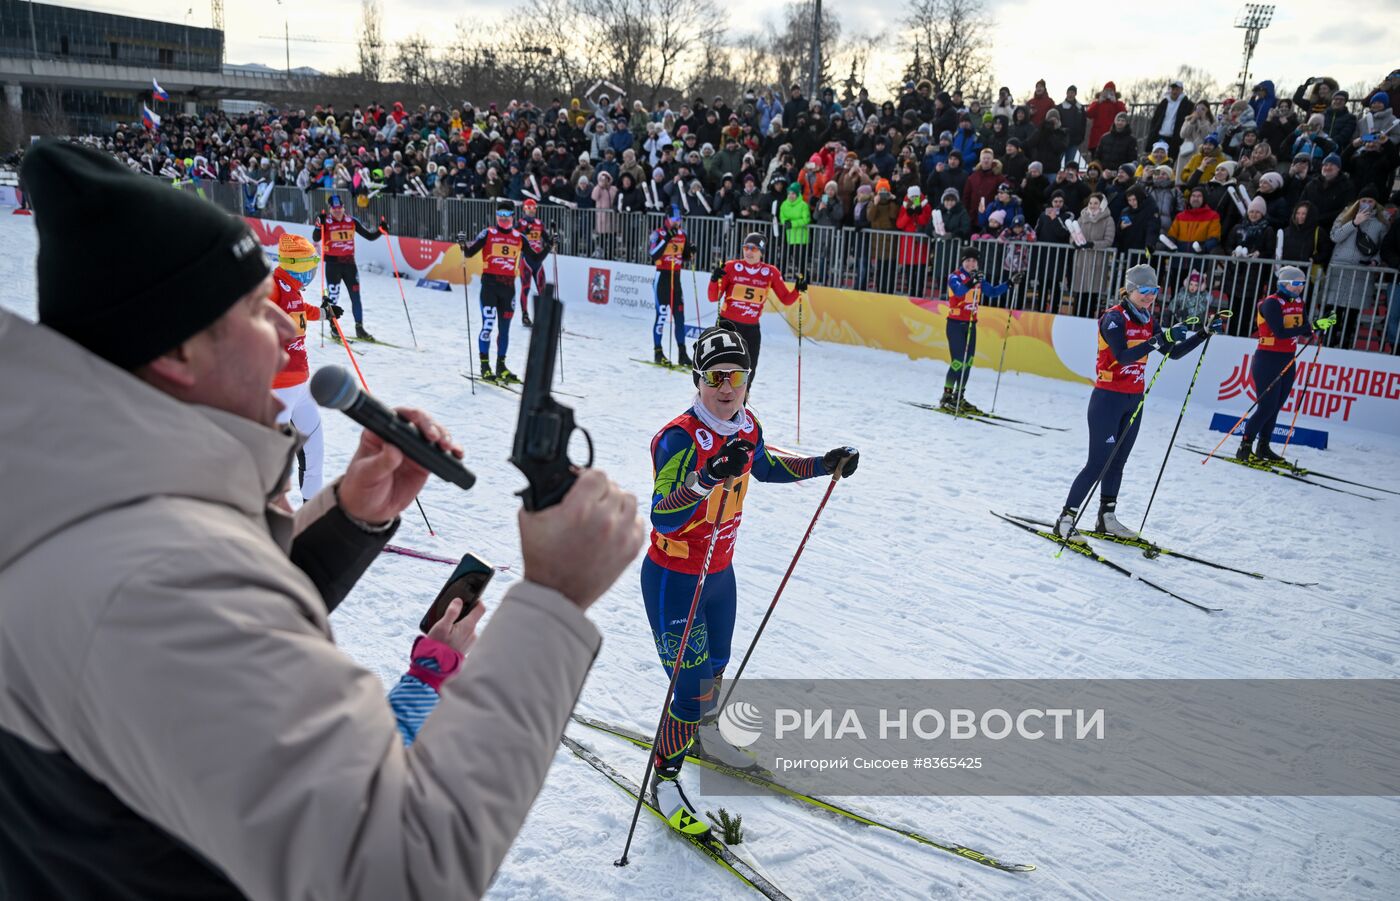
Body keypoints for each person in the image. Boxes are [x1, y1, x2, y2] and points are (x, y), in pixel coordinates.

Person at [0, 141, 645, 900]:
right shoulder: (152, 583)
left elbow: (205, 655)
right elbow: (403, 869)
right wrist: (554, 600)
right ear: (175, 349)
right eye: (252, 306)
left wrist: (346, 518)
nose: (284, 324)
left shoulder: (86, 494)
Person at [642, 322, 858, 836]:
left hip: (719, 575)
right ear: (697, 380)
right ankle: (664, 777)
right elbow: (662, 516)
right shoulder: (678, 437)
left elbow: (766, 465)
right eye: (714, 377)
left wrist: (820, 463)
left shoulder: (746, 424)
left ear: (747, 379)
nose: (725, 387)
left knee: (716, 670)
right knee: (691, 689)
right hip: (674, 577)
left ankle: (695, 736)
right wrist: (708, 476)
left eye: (734, 376)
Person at [1055, 265, 1215, 542]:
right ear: (1129, 290)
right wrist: (1158, 340)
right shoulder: (1114, 319)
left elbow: (1173, 353)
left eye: (1154, 291)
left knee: (1118, 462)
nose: (1149, 297)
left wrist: (1202, 333)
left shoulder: (1148, 320)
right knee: (1098, 463)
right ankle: (1065, 519)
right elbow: (1123, 356)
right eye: (1144, 291)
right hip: (1108, 398)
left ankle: (1107, 518)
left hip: (1134, 399)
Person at [1236, 266, 1337, 462]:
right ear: (1283, 284)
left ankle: (1263, 447)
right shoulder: (1271, 303)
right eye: (1296, 283)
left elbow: (1305, 329)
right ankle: (1245, 446)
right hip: (1267, 359)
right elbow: (1280, 332)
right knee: (1266, 406)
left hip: (1288, 359)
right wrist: (1311, 326)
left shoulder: (1299, 302)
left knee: (1276, 407)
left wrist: (1321, 325)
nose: (1300, 288)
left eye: (1302, 284)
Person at [269, 233, 326, 502]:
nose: (311, 274)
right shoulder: (273, 285)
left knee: (315, 450)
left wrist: (326, 313)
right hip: (278, 388)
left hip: (301, 386)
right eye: (309, 268)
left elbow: (302, 309)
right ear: (297, 265)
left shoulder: (292, 289)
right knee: (271, 461)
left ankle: (310, 514)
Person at [706, 232, 806, 378]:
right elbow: (713, 297)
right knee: (720, 370)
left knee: (747, 373)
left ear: (761, 252)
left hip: (751, 329)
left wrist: (798, 289)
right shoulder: (731, 267)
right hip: (728, 325)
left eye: (753, 249)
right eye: (746, 247)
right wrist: (714, 280)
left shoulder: (770, 272)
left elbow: (786, 299)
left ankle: (742, 401)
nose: (748, 252)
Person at [458, 203, 525, 383]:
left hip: (508, 289)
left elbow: (535, 258)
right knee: (488, 326)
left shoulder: (519, 237)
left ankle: (501, 366)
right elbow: (470, 253)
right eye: (500, 214)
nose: (503, 217)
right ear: (496, 216)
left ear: (513, 216)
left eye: (507, 214)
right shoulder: (488, 233)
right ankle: (484, 366)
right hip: (489, 286)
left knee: (504, 330)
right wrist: (463, 244)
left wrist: (549, 244)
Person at [940, 247, 1011, 412]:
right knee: (958, 362)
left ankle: (959, 396)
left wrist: (1009, 283)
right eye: (968, 261)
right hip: (955, 325)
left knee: (968, 363)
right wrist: (972, 281)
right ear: (963, 262)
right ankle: (947, 396)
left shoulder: (978, 278)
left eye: (974, 261)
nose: (971, 264)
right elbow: (958, 291)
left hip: (971, 324)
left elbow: (992, 292)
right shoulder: (955, 276)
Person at [311, 193, 384, 341]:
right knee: (333, 298)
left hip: (350, 265)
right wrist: (319, 225)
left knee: (355, 297)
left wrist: (381, 231)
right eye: (334, 208)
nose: (338, 211)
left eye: (340, 208)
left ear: (344, 208)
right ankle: (334, 328)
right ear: (330, 209)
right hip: (333, 266)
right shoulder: (326, 221)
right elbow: (316, 238)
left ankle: (359, 328)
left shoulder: (352, 221)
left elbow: (369, 237)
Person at [649, 209, 695, 367]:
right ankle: (658, 352)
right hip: (662, 278)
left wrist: (691, 251)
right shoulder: (658, 233)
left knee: (680, 317)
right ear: (667, 219)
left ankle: (682, 353)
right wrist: (667, 238)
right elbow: (653, 254)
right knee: (662, 316)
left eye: (679, 218)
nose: (677, 221)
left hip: (676, 279)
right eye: (674, 218)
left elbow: (686, 255)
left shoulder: (683, 234)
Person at [516, 197, 554, 328]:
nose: (532, 211)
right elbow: (513, 235)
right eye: (529, 209)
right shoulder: (520, 223)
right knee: (525, 288)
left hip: (538, 260)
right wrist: (522, 233)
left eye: (534, 208)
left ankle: (542, 317)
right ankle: (525, 315)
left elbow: (546, 238)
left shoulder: (539, 223)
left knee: (542, 289)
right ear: (524, 209)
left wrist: (553, 239)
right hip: (526, 260)